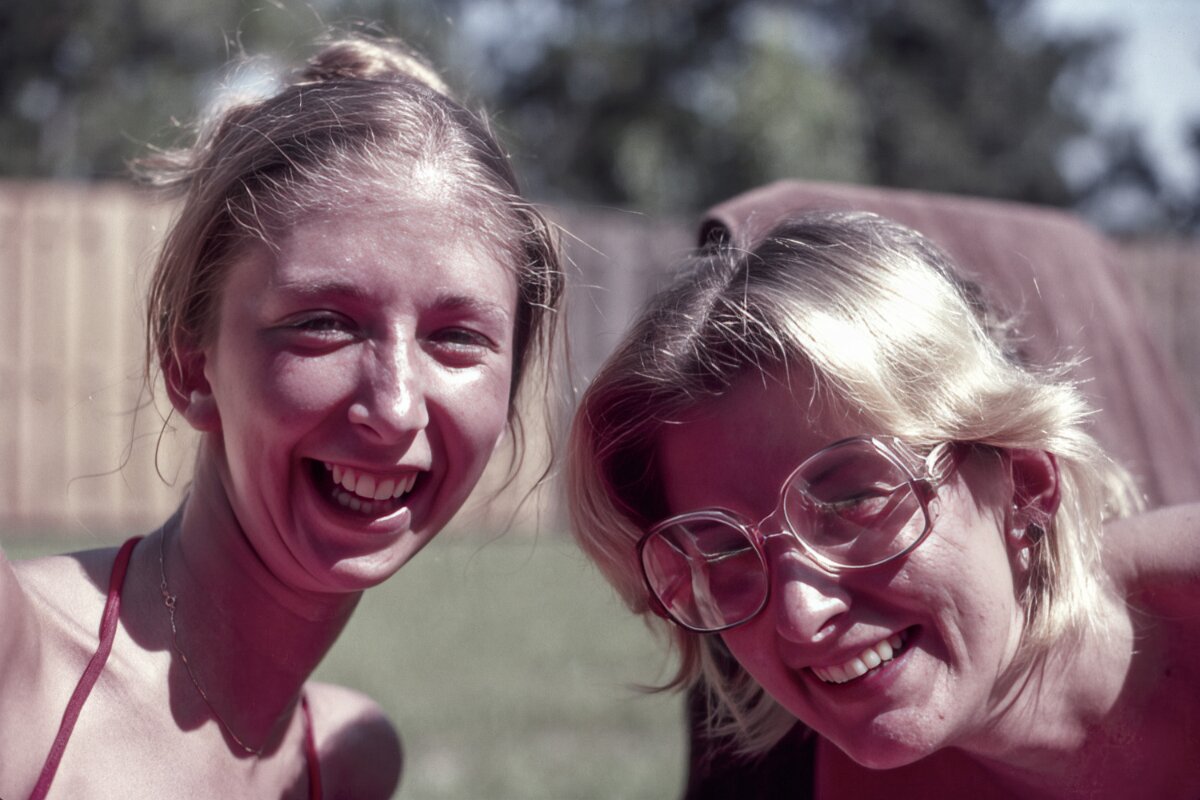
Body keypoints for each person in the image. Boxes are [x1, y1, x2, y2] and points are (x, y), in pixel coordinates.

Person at [1, 32, 562, 799]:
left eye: (457, 338)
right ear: (191, 367)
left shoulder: (349, 762)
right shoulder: (21, 667)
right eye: (324, 323)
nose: (396, 408)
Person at [567, 210, 1200, 798]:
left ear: (1026, 486)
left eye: (853, 503)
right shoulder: (806, 776)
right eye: (725, 552)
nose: (800, 616)